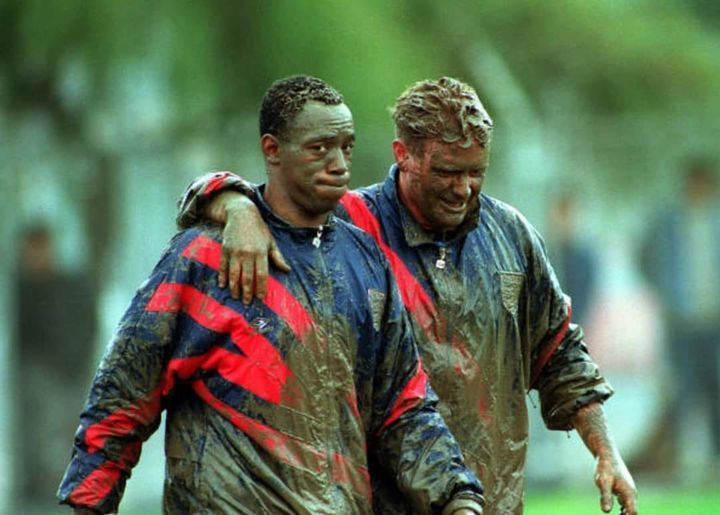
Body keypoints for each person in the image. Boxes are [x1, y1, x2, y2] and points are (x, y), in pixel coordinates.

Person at [179, 77, 638, 514]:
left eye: (477, 172)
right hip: (373, 501)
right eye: (447, 172)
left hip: (490, 502)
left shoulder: (511, 237)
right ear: (404, 154)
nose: (464, 189)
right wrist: (234, 206)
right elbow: (251, 204)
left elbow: (560, 354)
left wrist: (606, 452)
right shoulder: (348, 225)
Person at [57, 76, 485, 515]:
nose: (339, 164)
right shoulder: (204, 257)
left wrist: (456, 495)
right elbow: (123, 398)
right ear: (272, 149)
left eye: (347, 147)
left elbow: (403, 406)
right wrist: (88, 505)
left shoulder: (367, 261)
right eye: (320, 148)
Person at [639, 157, 720, 479]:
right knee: (682, 390)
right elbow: (644, 255)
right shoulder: (667, 222)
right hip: (681, 322)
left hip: (714, 322)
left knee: (716, 389)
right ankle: (681, 459)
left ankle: (716, 458)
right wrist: (665, 290)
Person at [15, 223, 97, 513]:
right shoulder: (21, 289)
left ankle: (68, 494)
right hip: (39, 375)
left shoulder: (70, 283)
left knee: (70, 435)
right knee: (41, 438)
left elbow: (88, 321)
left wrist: (79, 359)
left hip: (72, 371)